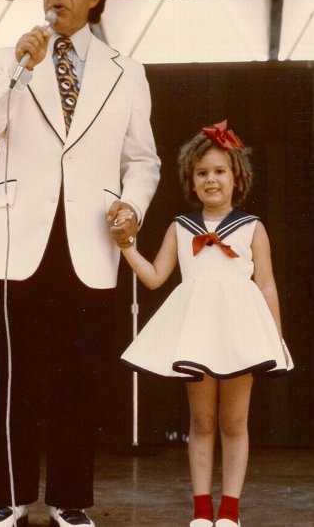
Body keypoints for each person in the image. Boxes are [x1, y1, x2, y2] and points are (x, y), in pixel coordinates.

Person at [0, 0, 160, 527]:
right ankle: (9, 500)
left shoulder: (127, 71)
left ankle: (70, 501)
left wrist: (131, 208)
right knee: (16, 375)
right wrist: (19, 70)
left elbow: (142, 160)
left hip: (91, 241)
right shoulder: (8, 59)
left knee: (79, 377)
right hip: (19, 237)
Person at [112, 120, 293, 527]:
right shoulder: (180, 227)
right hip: (197, 335)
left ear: (236, 177)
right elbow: (156, 276)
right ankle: (201, 511)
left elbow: (266, 287)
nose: (211, 179)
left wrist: (275, 340)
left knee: (234, 422)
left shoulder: (252, 228)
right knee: (203, 422)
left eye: (219, 171)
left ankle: (229, 510)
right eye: (202, 173)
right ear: (191, 181)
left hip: (240, 334)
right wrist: (126, 247)